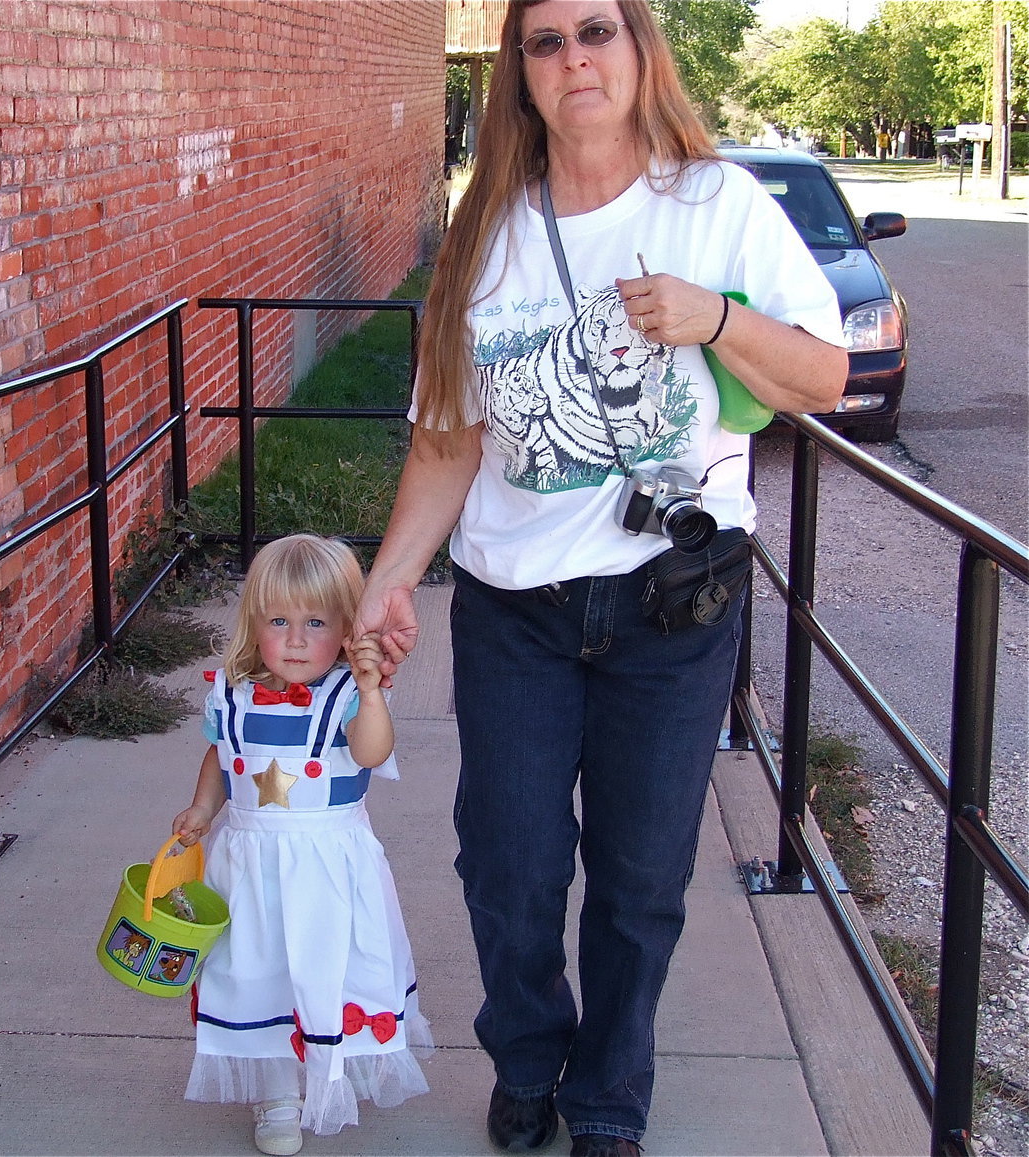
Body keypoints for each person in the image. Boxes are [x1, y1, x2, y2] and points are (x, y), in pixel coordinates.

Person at [354, 4, 847, 1157]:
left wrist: (713, 316)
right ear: (520, 73)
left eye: (598, 30)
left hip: (672, 607)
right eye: (546, 41)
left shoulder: (716, 204)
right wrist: (388, 579)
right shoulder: (487, 232)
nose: (575, 56)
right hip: (516, 608)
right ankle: (528, 1056)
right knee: (509, 859)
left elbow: (824, 370)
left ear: (638, 51)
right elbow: (446, 440)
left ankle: (609, 1092)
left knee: (640, 873)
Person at [173, 534, 432, 1156]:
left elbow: (373, 753)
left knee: (329, 967)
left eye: (315, 623)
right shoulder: (230, 694)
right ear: (253, 624)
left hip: (328, 866)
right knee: (256, 970)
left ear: (346, 627)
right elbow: (221, 756)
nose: (295, 639)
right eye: (278, 621)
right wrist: (204, 808)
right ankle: (276, 1093)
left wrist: (371, 692)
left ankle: (331, 1069)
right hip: (249, 865)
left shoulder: (348, 697)